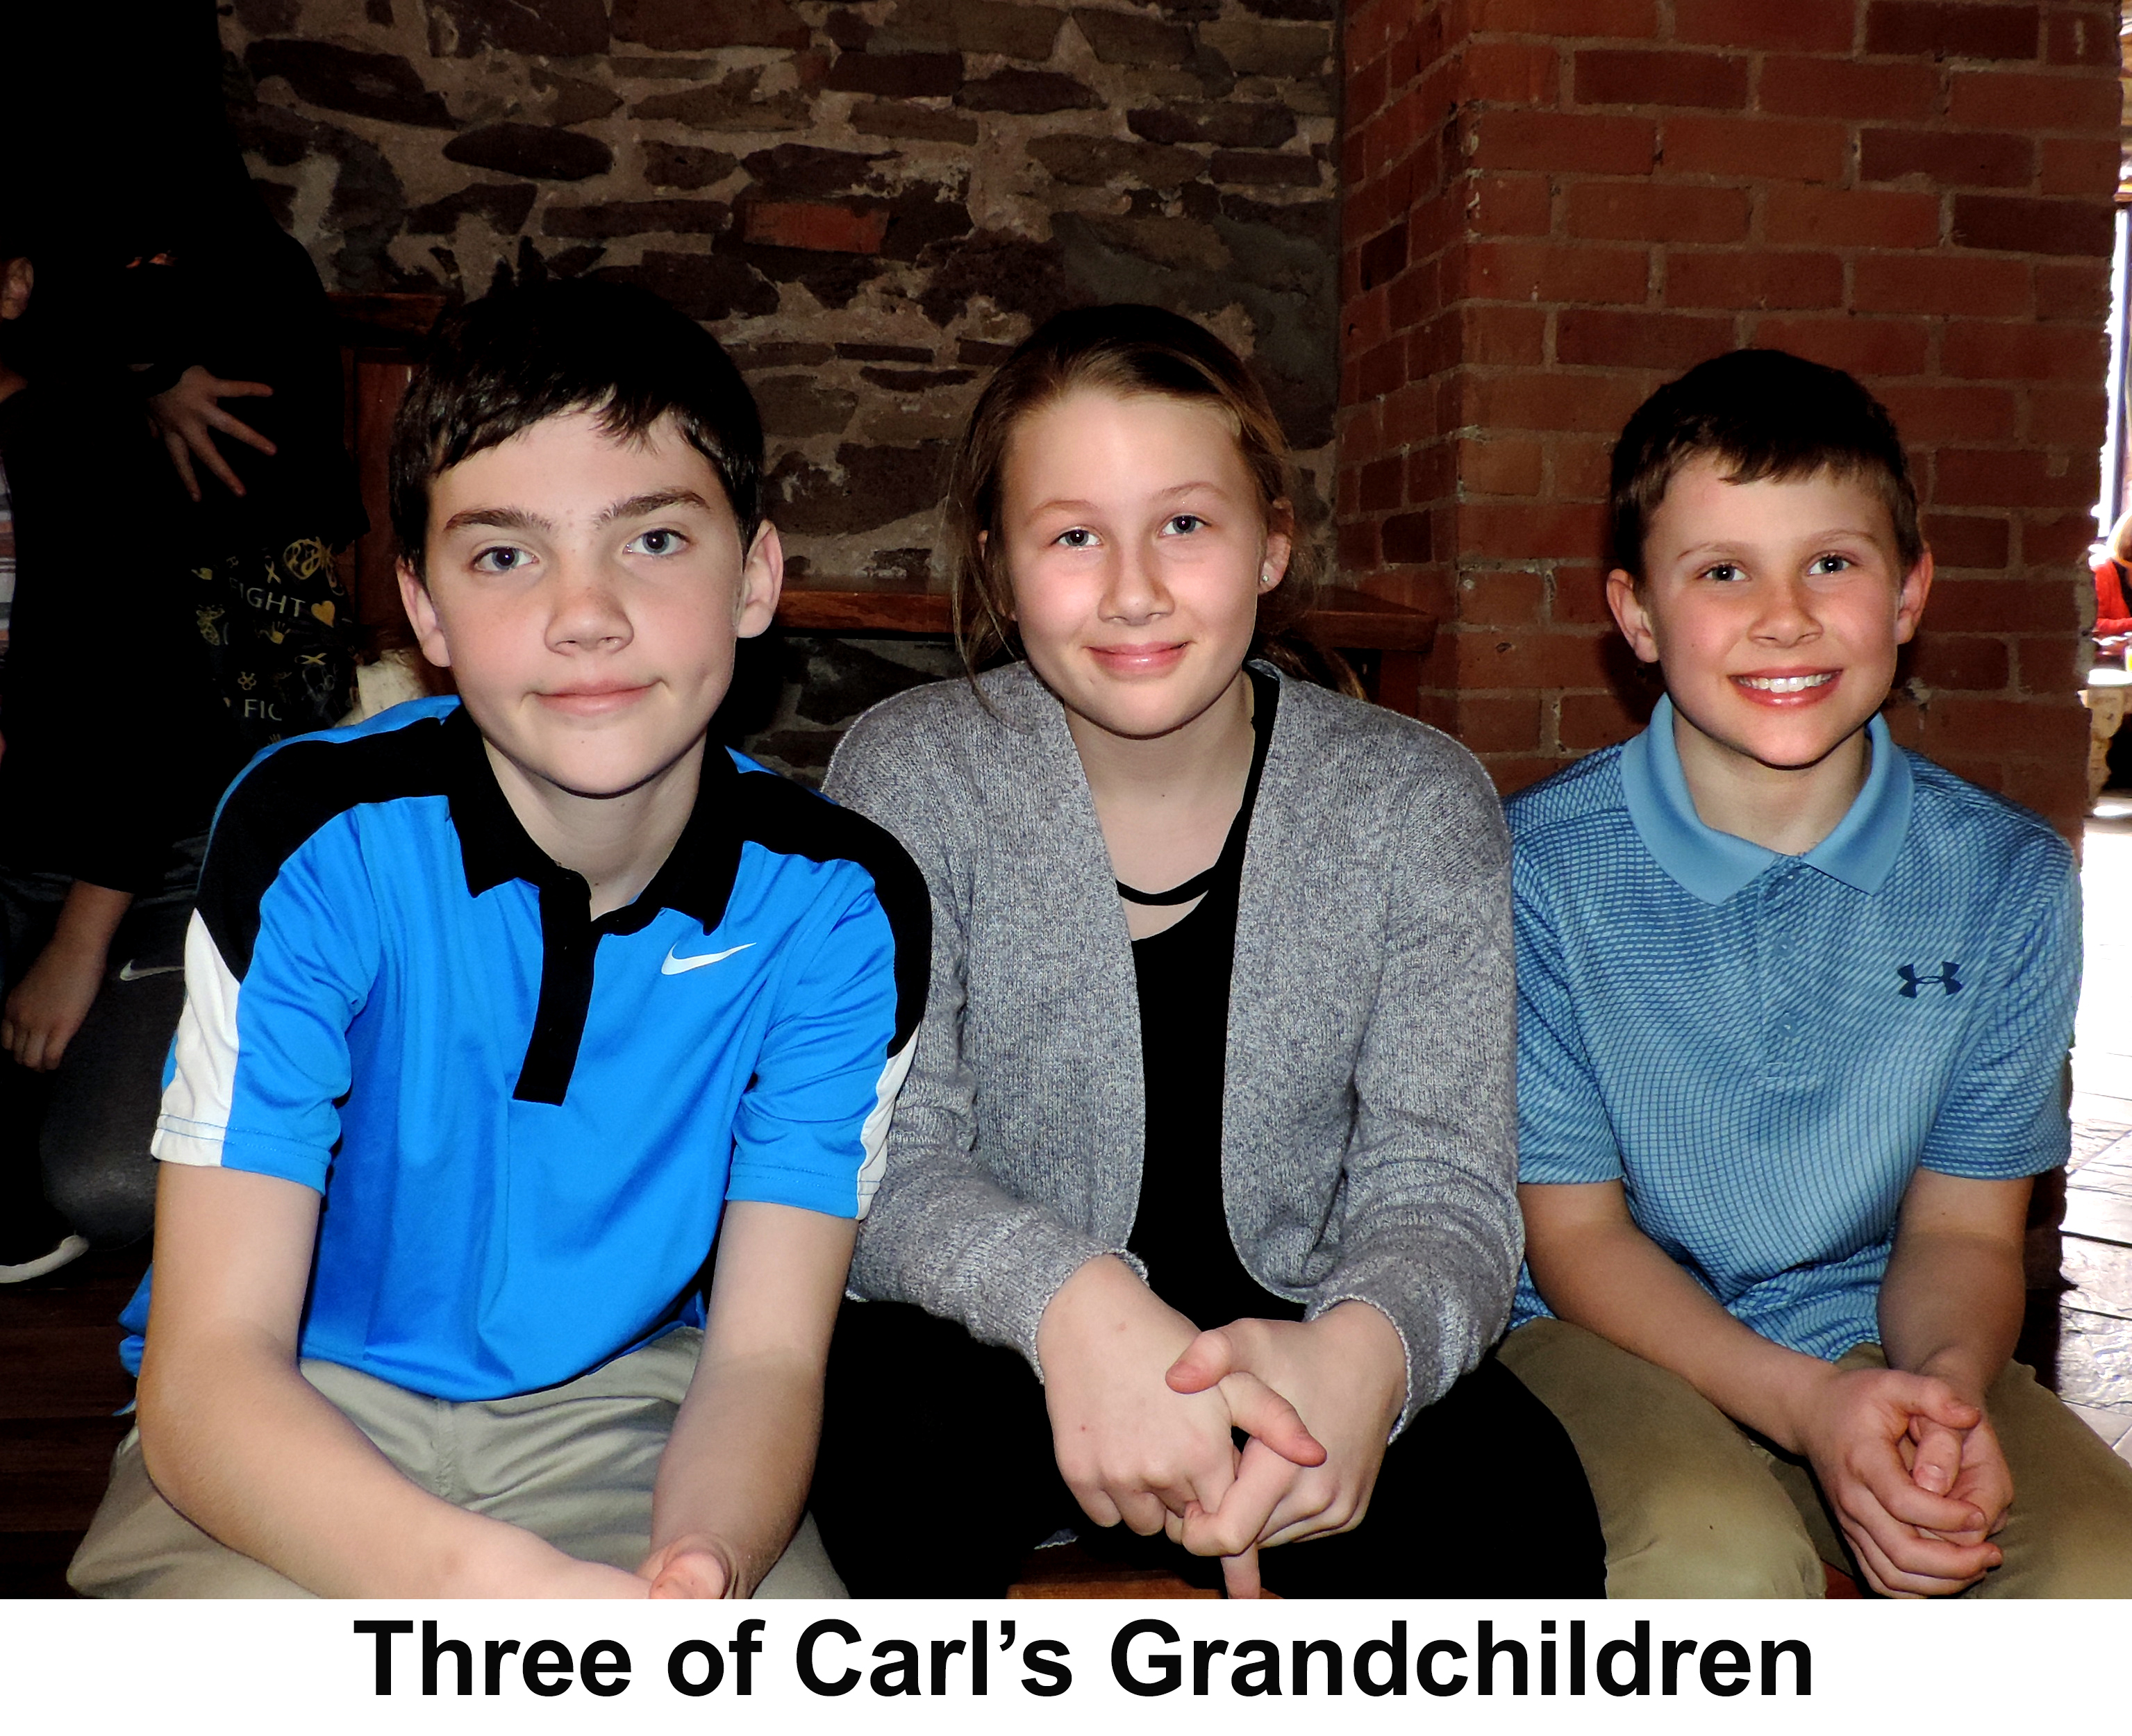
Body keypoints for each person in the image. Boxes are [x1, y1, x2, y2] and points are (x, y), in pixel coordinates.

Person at [67, 279, 928, 1598]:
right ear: (423, 611)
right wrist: (490, 1594)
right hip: (293, 1404)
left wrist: (701, 1569)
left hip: (639, 1413)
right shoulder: (314, 838)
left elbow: (762, 1360)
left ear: (756, 574)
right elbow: (208, 1374)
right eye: (505, 555)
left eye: (651, 541)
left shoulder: (839, 908)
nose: (585, 614)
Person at [808, 305, 1604, 1598]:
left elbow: (1444, 1181)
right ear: (1001, 572)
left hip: (1305, 1342)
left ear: (1270, 544)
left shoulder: (1411, 803)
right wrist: (1081, 1314)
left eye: (1184, 524)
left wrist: (1362, 1361)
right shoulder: (913, 776)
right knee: (889, 1453)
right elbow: (884, 1163)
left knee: (1523, 1521)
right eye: (1073, 536)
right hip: (998, 1346)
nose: (1133, 589)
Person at [1497, 348, 2132, 1598]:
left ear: (1907, 596)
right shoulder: (1533, 874)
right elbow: (1572, 1240)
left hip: (1879, 1328)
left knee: (2098, 1576)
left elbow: (1960, 1227)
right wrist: (1808, 1404)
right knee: (1711, 1563)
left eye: (1830, 564)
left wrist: (1938, 1401)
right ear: (1634, 616)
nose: (1783, 616)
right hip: (1599, 1335)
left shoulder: (2005, 880)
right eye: (1722, 571)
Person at [0, 212, 243, 1282]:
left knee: (104, 1182)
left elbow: (156, 721)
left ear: (11, 287)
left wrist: (75, 946)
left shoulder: (82, 444)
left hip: (131, 867)